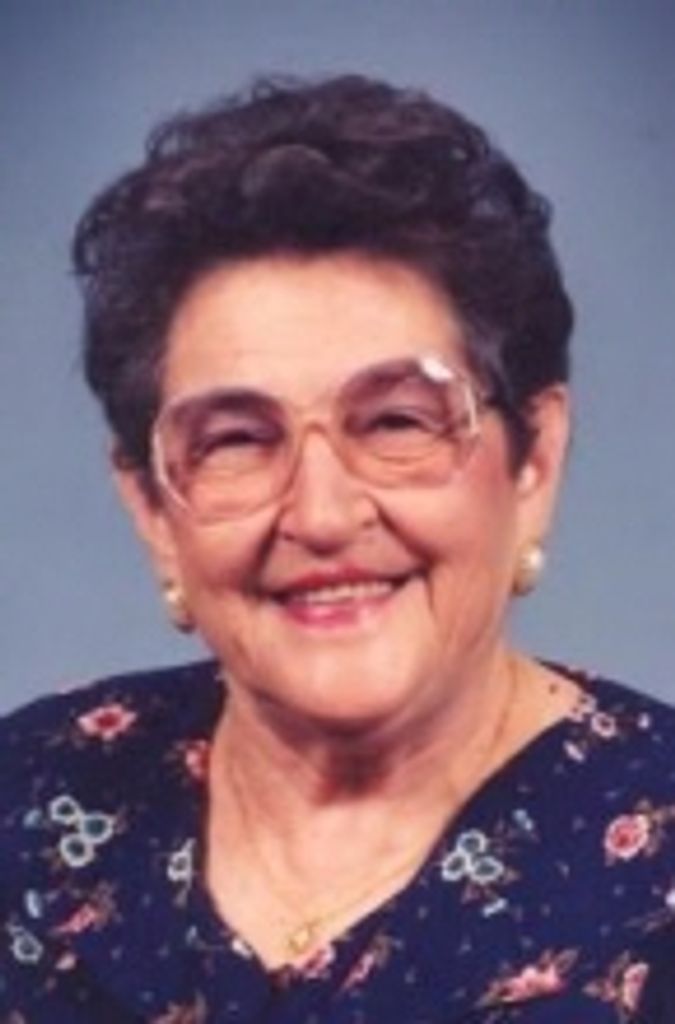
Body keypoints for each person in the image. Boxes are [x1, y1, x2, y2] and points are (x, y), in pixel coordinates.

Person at [1, 74, 673, 1024]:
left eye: (397, 421)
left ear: (533, 463)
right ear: (152, 507)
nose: (320, 514)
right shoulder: (29, 799)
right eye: (237, 439)